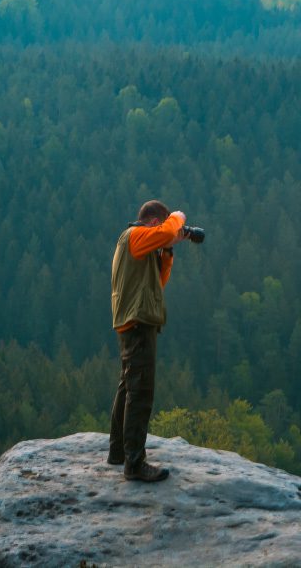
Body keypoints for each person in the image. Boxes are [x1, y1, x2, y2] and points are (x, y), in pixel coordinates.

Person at [107, 199, 186, 482]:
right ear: (155, 222)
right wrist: (177, 219)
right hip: (138, 325)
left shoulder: (142, 246)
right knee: (140, 392)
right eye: (164, 226)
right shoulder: (135, 236)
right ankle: (135, 462)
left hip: (135, 322)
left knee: (129, 386)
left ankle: (118, 451)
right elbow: (165, 231)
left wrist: (167, 251)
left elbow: (157, 283)